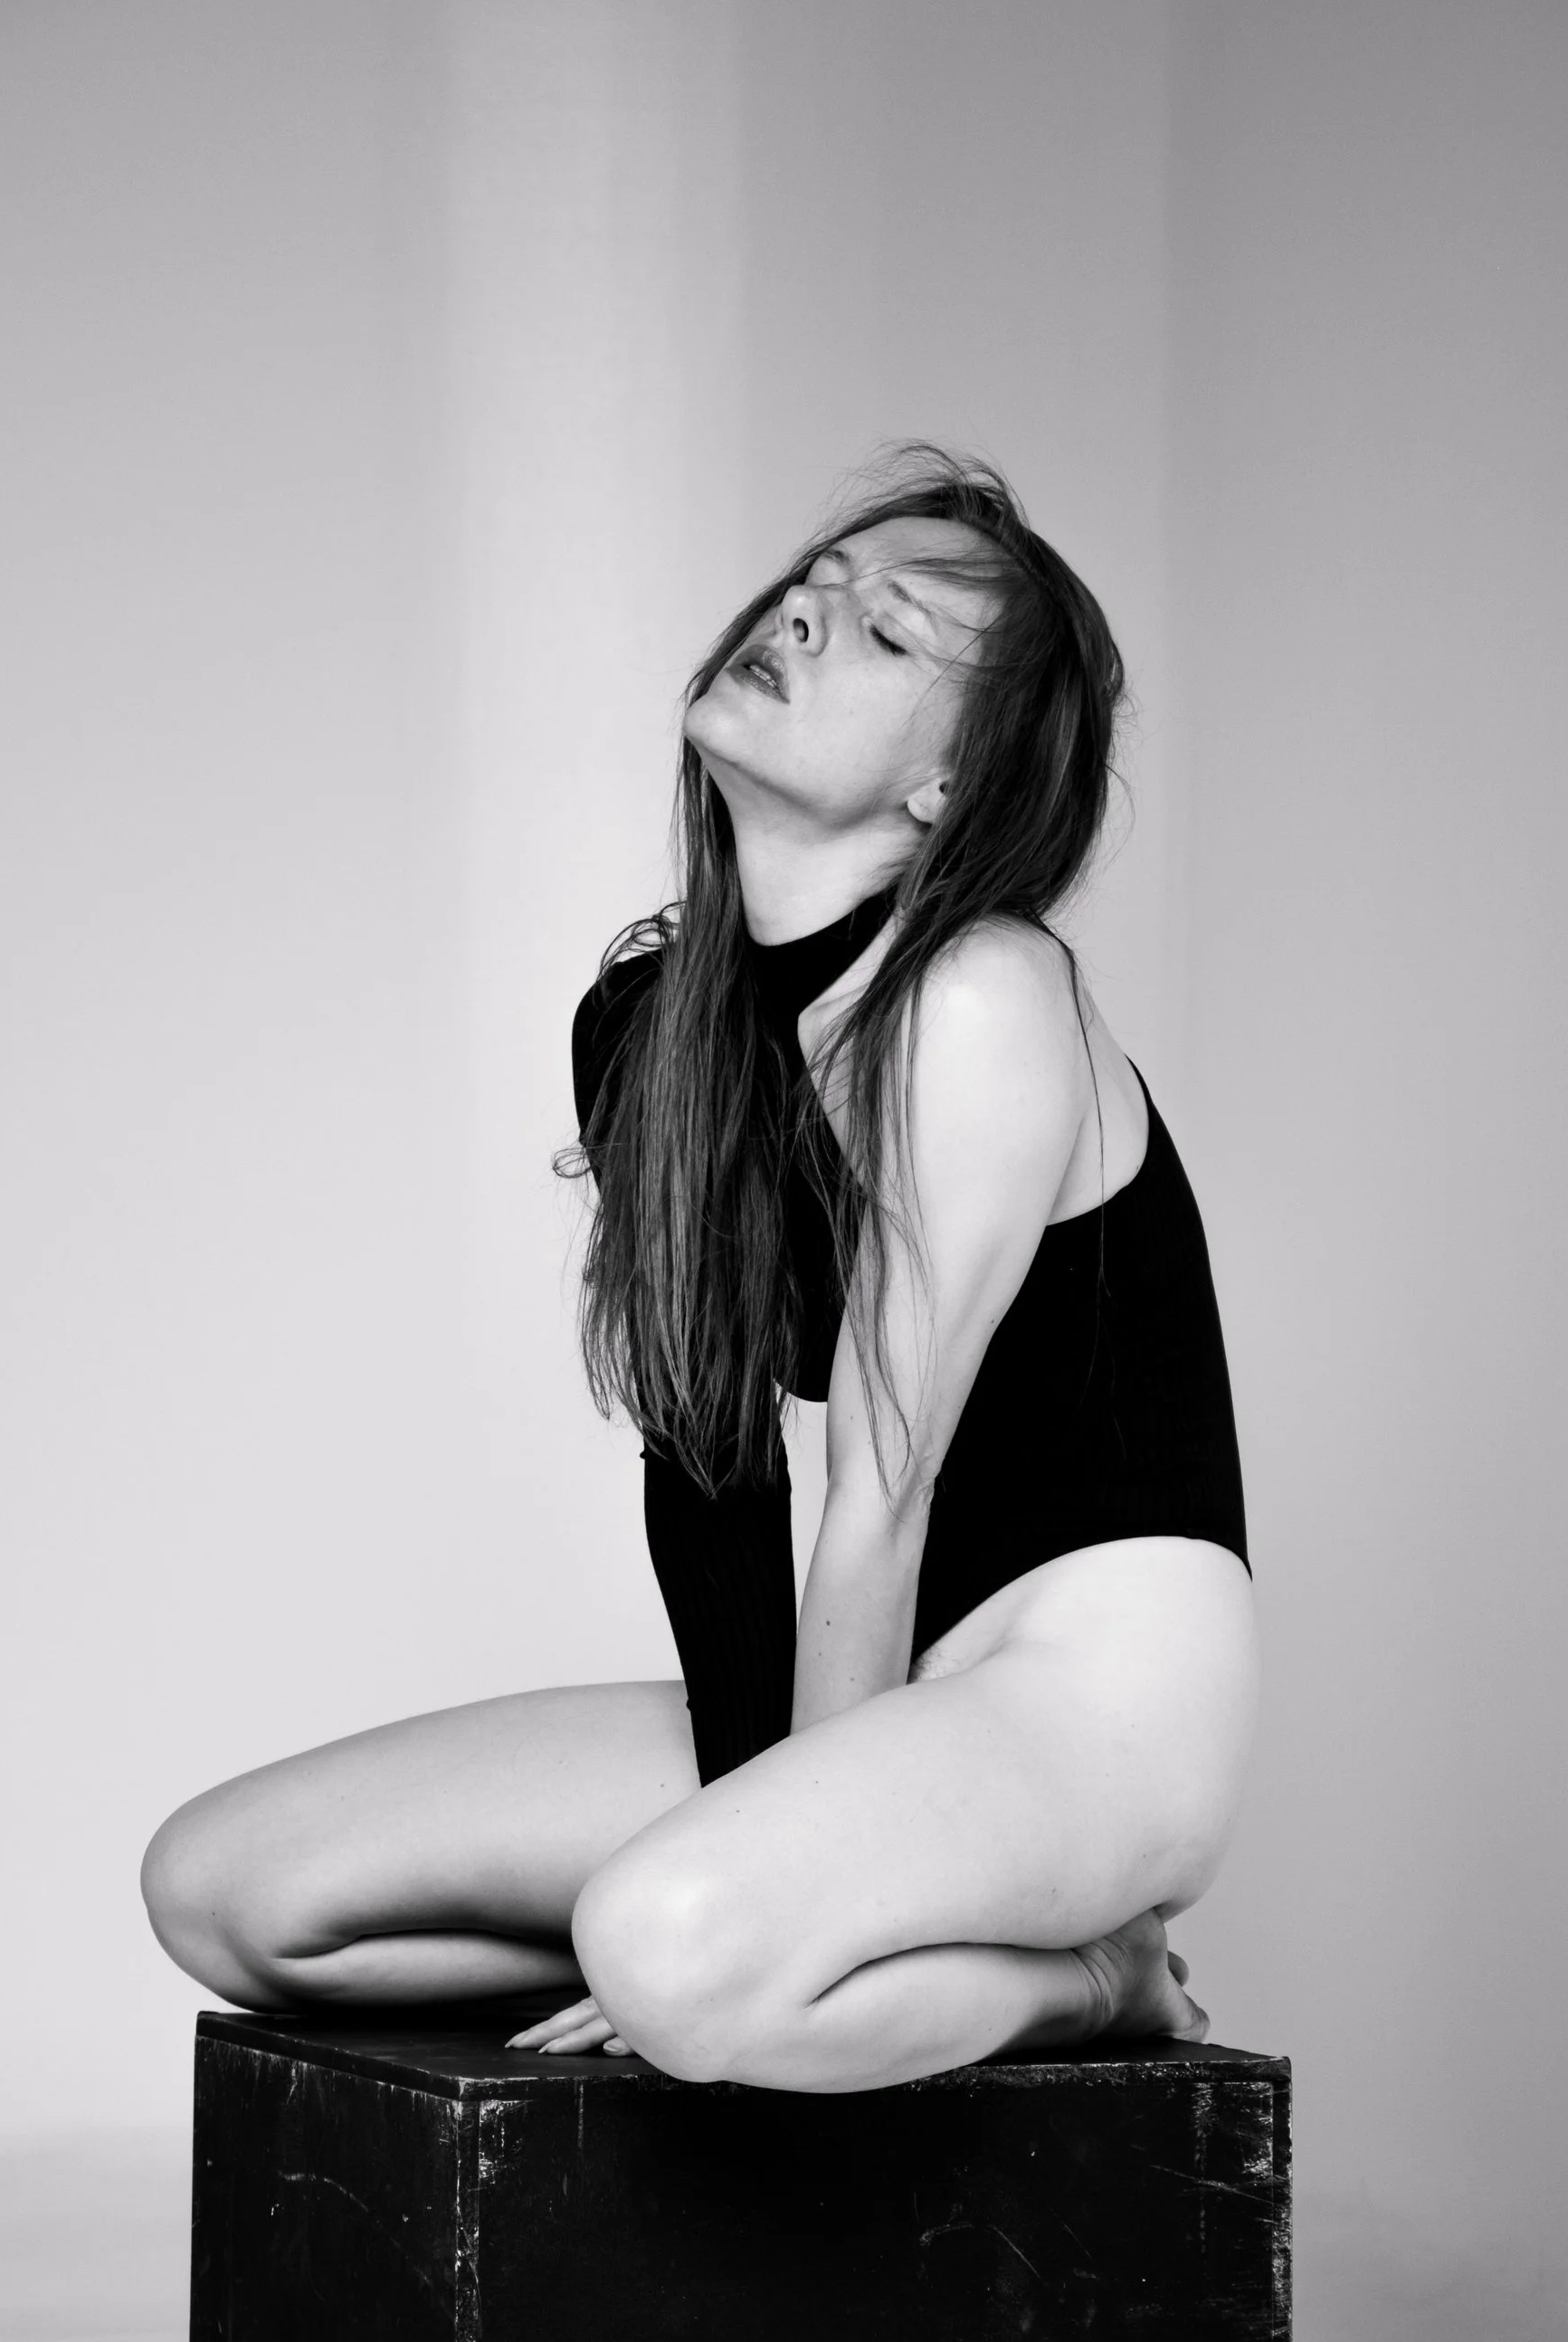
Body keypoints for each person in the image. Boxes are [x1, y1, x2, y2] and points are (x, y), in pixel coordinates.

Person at [141, 450, 1256, 2093]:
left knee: (672, 1949)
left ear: (950, 783)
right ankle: (725, 1947)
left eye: (886, 632)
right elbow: (715, 1481)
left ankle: (1093, 1976)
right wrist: (761, 1855)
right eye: (816, 587)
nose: (801, 618)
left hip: (1091, 1706)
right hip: (879, 1683)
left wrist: (760, 1894)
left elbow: (878, 1492)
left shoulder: (977, 998)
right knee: (233, 1895)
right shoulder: (651, 1031)